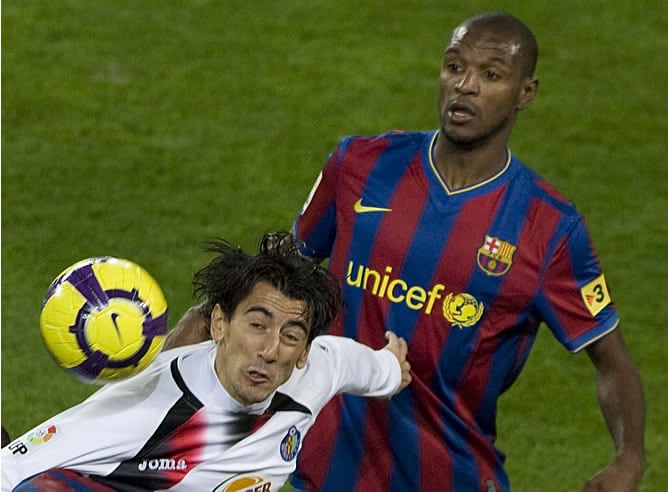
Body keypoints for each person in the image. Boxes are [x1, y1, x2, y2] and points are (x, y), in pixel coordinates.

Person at [288, 11, 646, 492]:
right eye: (455, 67)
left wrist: (629, 457)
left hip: (449, 475)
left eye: (490, 75)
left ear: (526, 94)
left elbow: (612, 359)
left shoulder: (549, 228)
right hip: (320, 468)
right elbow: (283, 274)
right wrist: (212, 321)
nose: (466, 86)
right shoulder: (360, 164)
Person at [1, 231, 412, 491]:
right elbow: (12, 467)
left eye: (290, 335)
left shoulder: (317, 368)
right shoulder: (145, 408)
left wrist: (392, 368)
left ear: (304, 350)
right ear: (219, 323)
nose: (270, 350)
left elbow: (370, 367)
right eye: (257, 325)